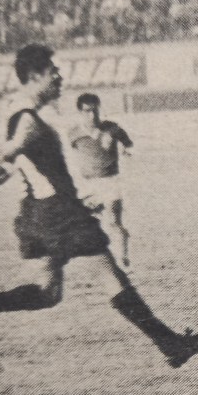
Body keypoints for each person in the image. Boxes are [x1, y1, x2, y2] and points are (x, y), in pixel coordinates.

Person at [0, 44, 198, 395]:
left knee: (48, 293)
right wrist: (3, 161)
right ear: (34, 75)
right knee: (109, 275)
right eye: (52, 70)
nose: (59, 76)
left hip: (44, 210)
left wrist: (10, 166)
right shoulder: (27, 116)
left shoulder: (21, 111)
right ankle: (170, 344)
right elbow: (17, 144)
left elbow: (20, 152)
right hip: (57, 213)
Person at [68, 93, 132, 267]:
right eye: (87, 111)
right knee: (86, 223)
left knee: (113, 220)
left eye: (95, 110)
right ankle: (99, 261)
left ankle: (122, 257)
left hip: (110, 182)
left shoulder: (112, 128)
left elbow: (128, 143)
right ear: (80, 112)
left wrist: (125, 149)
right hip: (88, 185)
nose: (92, 115)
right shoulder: (74, 134)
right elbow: (74, 155)